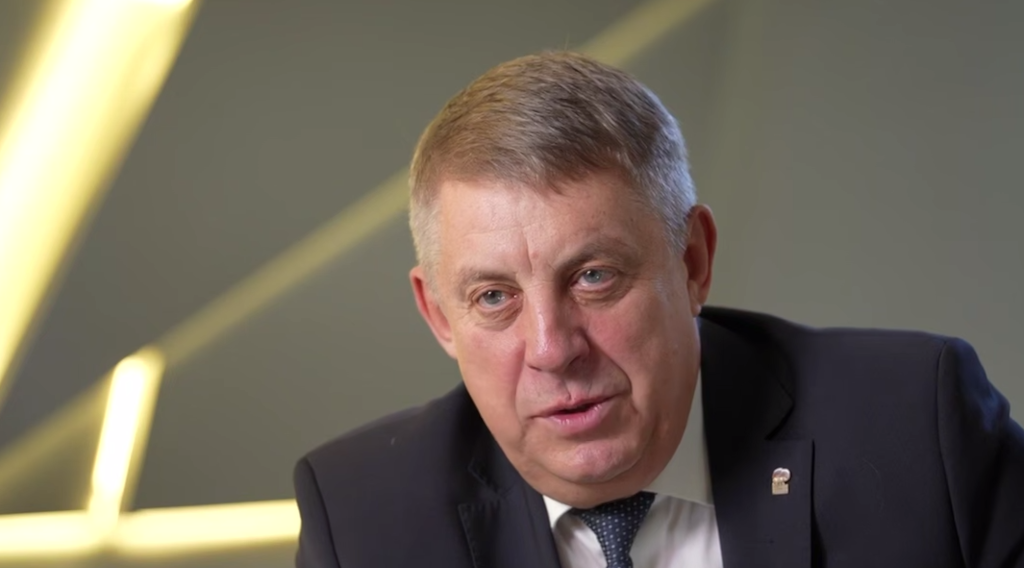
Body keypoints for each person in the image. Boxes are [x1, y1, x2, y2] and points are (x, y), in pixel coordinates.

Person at [293, 51, 1024, 568]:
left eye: (593, 277)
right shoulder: (362, 521)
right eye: (494, 297)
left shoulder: (914, 427)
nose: (552, 349)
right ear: (438, 315)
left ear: (693, 261)